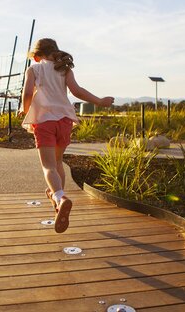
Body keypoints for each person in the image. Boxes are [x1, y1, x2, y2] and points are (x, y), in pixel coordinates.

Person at [19, 38, 114, 233]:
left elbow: (28, 92)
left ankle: (60, 197)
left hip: (45, 121)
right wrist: (100, 101)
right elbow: (77, 91)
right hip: (64, 121)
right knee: (58, 162)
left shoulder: (34, 69)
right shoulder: (64, 69)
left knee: (48, 167)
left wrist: (24, 109)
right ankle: (58, 203)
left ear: (36, 56)